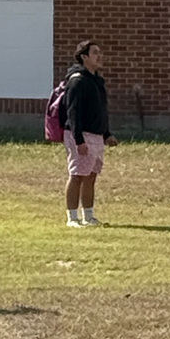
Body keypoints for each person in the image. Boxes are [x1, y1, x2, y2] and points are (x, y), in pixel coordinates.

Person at [63, 41, 118, 228]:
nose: (99, 56)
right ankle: (72, 217)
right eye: (95, 52)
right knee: (77, 174)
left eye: (100, 52)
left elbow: (101, 110)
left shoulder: (97, 81)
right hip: (80, 135)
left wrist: (107, 134)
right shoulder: (77, 80)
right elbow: (73, 112)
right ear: (84, 57)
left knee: (91, 175)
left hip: (96, 135)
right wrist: (79, 140)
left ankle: (88, 216)